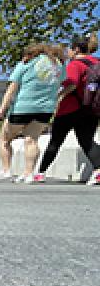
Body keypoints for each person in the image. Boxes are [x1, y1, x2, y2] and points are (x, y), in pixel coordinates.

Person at [0, 44, 65, 184]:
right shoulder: (58, 65)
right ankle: (29, 173)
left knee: (5, 139)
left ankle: (6, 170)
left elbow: (11, 89)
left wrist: (1, 112)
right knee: (32, 140)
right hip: (45, 109)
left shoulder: (26, 63)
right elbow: (63, 83)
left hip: (22, 107)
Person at [34, 33, 100, 185]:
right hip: (91, 109)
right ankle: (98, 171)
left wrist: (57, 96)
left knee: (55, 141)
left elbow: (71, 83)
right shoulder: (96, 62)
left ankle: (41, 173)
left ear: (76, 49)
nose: (68, 52)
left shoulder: (75, 64)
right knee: (86, 141)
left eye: (70, 49)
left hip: (69, 109)